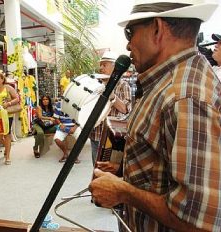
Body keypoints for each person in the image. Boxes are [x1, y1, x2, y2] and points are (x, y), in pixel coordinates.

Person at [89, 1, 221, 231]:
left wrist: (123, 191)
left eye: (130, 32)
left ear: (158, 29)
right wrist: (128, 171)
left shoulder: (185, 98)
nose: (128, 44)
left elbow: (198, 221)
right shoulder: (170, 83)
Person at [89, 51, 131, 166]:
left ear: (114, 67)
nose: (101, 68)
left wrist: (111, 95)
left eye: (104, 65)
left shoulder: (123, 85)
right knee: (96, 169)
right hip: (95, 135)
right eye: (100, 65)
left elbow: (125, 109)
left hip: (111, 138)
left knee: (109, 170)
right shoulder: (95, 84)